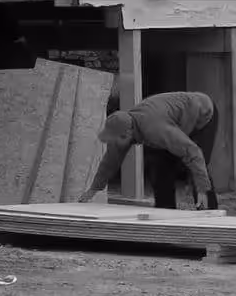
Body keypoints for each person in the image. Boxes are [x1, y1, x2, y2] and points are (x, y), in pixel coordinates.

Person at [78, 90, 219, 210]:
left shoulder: (155, 129)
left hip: (202, 113)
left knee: (196, 166)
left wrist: (202, 190)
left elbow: (193, 153)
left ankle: (209, 214)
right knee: (160, 169)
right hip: (173, 121)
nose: (114, 144)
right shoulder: (123, 127)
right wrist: (94, 188)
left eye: (115, 140)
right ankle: (165, 215)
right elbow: (111, 160)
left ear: (128, 133)